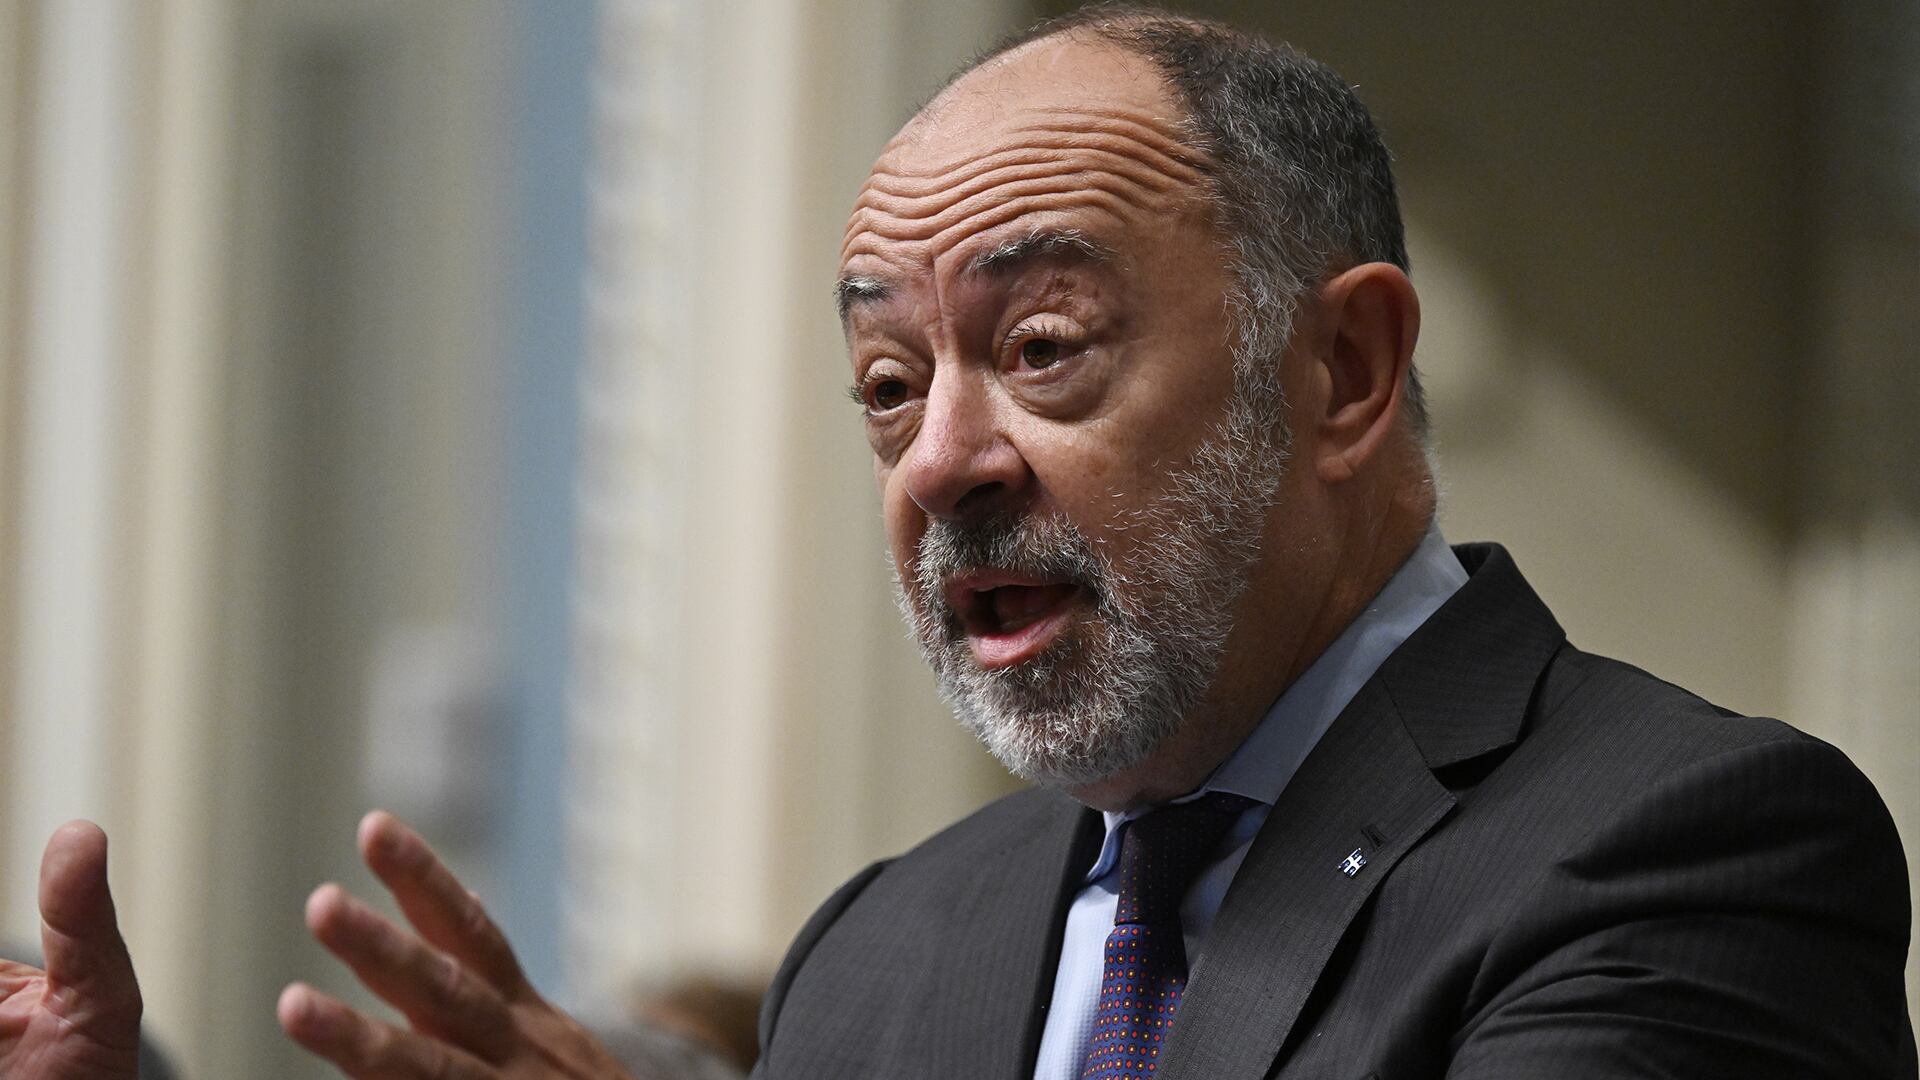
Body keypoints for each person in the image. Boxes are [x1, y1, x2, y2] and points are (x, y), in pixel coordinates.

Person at [2, 6, 1912, 1079]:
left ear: (1341, 369)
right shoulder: (885, 950)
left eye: (1043, 346)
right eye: (888, 384)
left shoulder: (1686, 858)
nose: (941, 461)